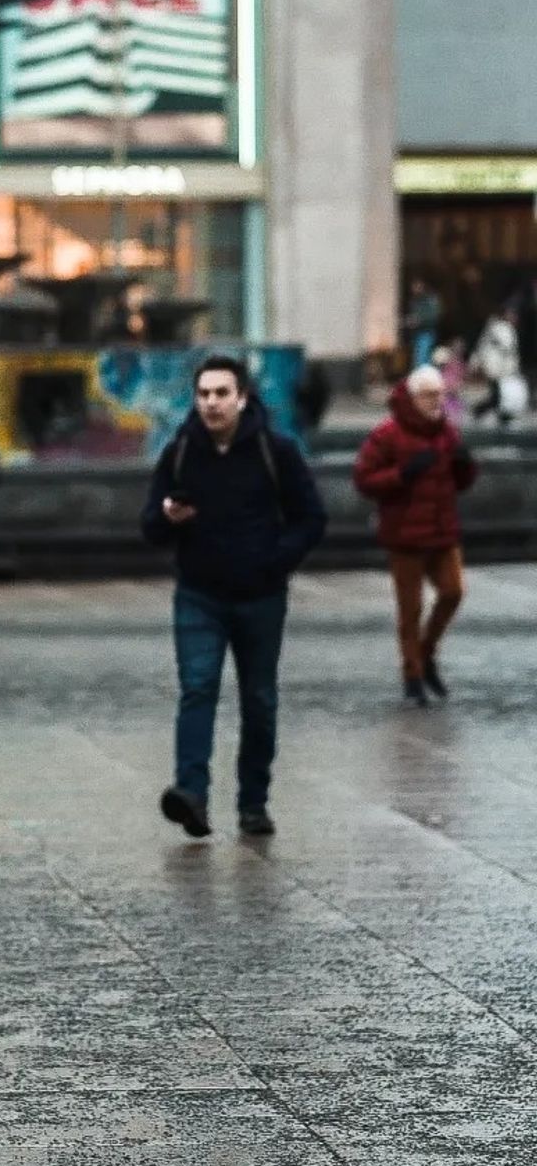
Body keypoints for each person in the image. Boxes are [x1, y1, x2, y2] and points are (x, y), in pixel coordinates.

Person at [141, 355, 327, 842]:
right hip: (198, 595)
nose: (211, 403)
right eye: (203, 394)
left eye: (222, 393)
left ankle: (253, 803)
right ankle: (192, 795)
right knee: (197, 689)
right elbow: (149, 527)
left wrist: (275, 560)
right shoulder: (180, 451)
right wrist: (167, 518)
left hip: (260, 598)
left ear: (242, 397)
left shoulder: (275, 450)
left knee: (259, 700)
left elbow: (312, 518)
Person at [353, 364, 477, 706]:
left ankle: (426, 654)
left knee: (452, 593)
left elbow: (461, 483)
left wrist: (466, 465)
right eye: (428, 395)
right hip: (405, 536)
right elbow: (364, 479)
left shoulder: (446, 432)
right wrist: (402, 474)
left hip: (442, 533)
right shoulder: (388, 434)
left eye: (440, 394)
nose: (436, 401)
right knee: (411, 609)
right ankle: (413, 675)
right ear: (412, 397)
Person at [470, 305, 523, 427]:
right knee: (499, 392)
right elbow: (504, 348)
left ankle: (493, 413)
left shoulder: (504, 328)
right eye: (512, 314)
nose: (514, 317)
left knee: (499, 392)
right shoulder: (498, 328)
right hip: (496, 366)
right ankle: (486, 412)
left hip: (502, 367)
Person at [403, 279, 442, 372]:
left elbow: (434, 316)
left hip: (426, 332)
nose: (414, 289)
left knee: (422, 357)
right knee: (420, 357)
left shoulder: (430, 299)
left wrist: (419, 320)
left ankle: (425, 378)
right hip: (416, 333)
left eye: (417, 286)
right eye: (413, 287)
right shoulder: (414, 301)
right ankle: (425, 378)